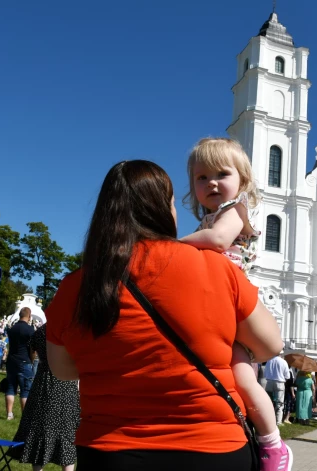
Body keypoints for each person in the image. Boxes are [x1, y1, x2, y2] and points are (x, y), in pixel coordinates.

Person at [45, 160, 286, 471]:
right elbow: (270, 345)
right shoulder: (214, 267)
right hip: (213, 448)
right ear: (163, 208)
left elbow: (63, 370)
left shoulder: (76, 286)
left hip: (111, 451)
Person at [180, 137, 284, 445]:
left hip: (233, 303)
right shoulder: (209, 218)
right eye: (202, 177)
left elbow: (219, 241)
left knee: (242, 375)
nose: (211, 182)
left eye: (221, 174)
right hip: (216, 300)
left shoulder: (234, 209)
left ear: (243, 181)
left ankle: (272, 442)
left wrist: (169, 244)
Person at [9, 324, 80, 471]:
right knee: (66, 433)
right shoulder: (72, 331)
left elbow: (32, 352)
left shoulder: (40, 331)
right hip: (66, 384)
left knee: (38, 429)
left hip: (43, 382)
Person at [6, 307, 36, 420]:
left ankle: (9, 413)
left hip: (11, 360)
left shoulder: (12, 328)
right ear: (29, 316)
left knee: (10, 387)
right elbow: (33, 349)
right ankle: (25, 417)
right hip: (24, 360)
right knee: (25, 390)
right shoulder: (30, 330)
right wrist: (32, 360)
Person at [264, 354, 291, 427]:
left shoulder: (269, 361)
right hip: (279, 382)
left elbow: (265, 373)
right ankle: (278, 421)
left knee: (269, 402)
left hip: (269, 382)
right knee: (279, 403)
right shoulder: (283, 362)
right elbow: (287, 376)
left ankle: (268, 419)